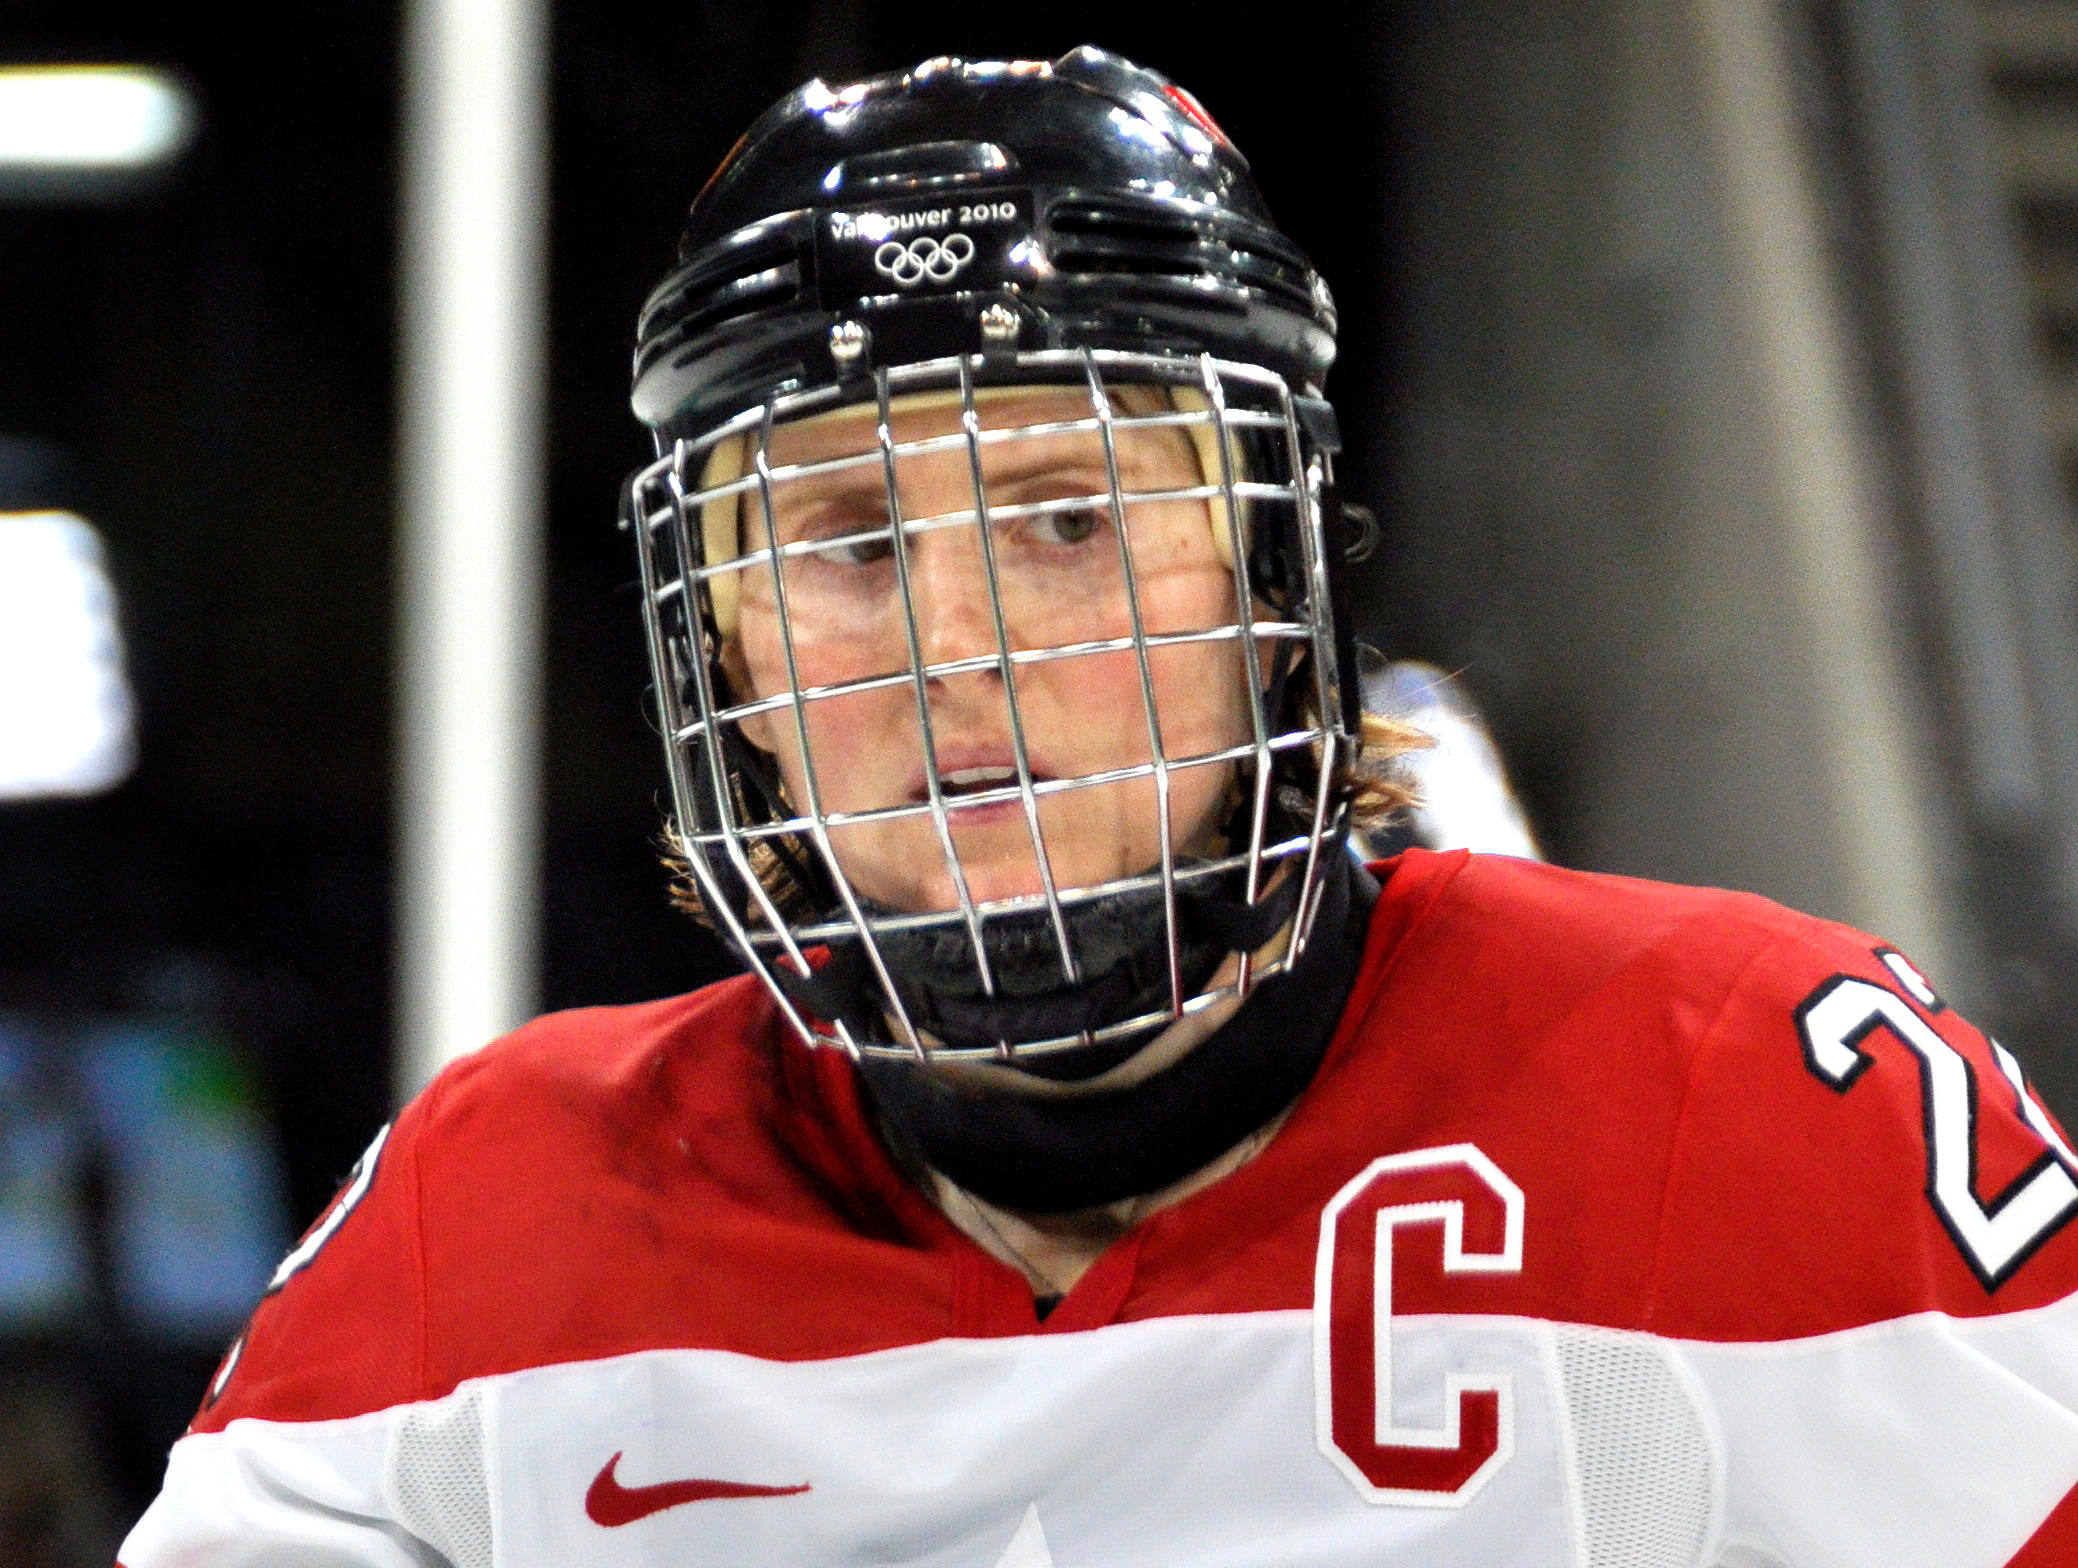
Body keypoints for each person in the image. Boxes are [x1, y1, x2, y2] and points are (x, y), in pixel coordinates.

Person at [120, 46, 2078, 1568]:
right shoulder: (491, 1227)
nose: (950, 651)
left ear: (1273, 584)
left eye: (1065, 516)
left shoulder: (1743, 1092)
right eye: (844, 541)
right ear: (720, 659)